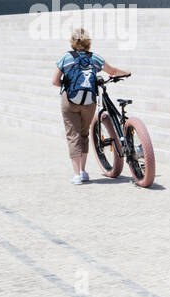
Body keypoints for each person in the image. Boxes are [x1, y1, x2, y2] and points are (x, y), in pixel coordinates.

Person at [51, 28, 129, 185]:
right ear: (88, 42)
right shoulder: (94, 58)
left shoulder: (66, 57)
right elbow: (112, 71)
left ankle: (77, 175)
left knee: (73, 136)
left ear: (72, 41)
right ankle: (84, 171)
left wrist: (67, 87)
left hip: (70, 101)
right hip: (89, 101)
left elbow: (55, 81)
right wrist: (127, 72)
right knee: (84, 134)